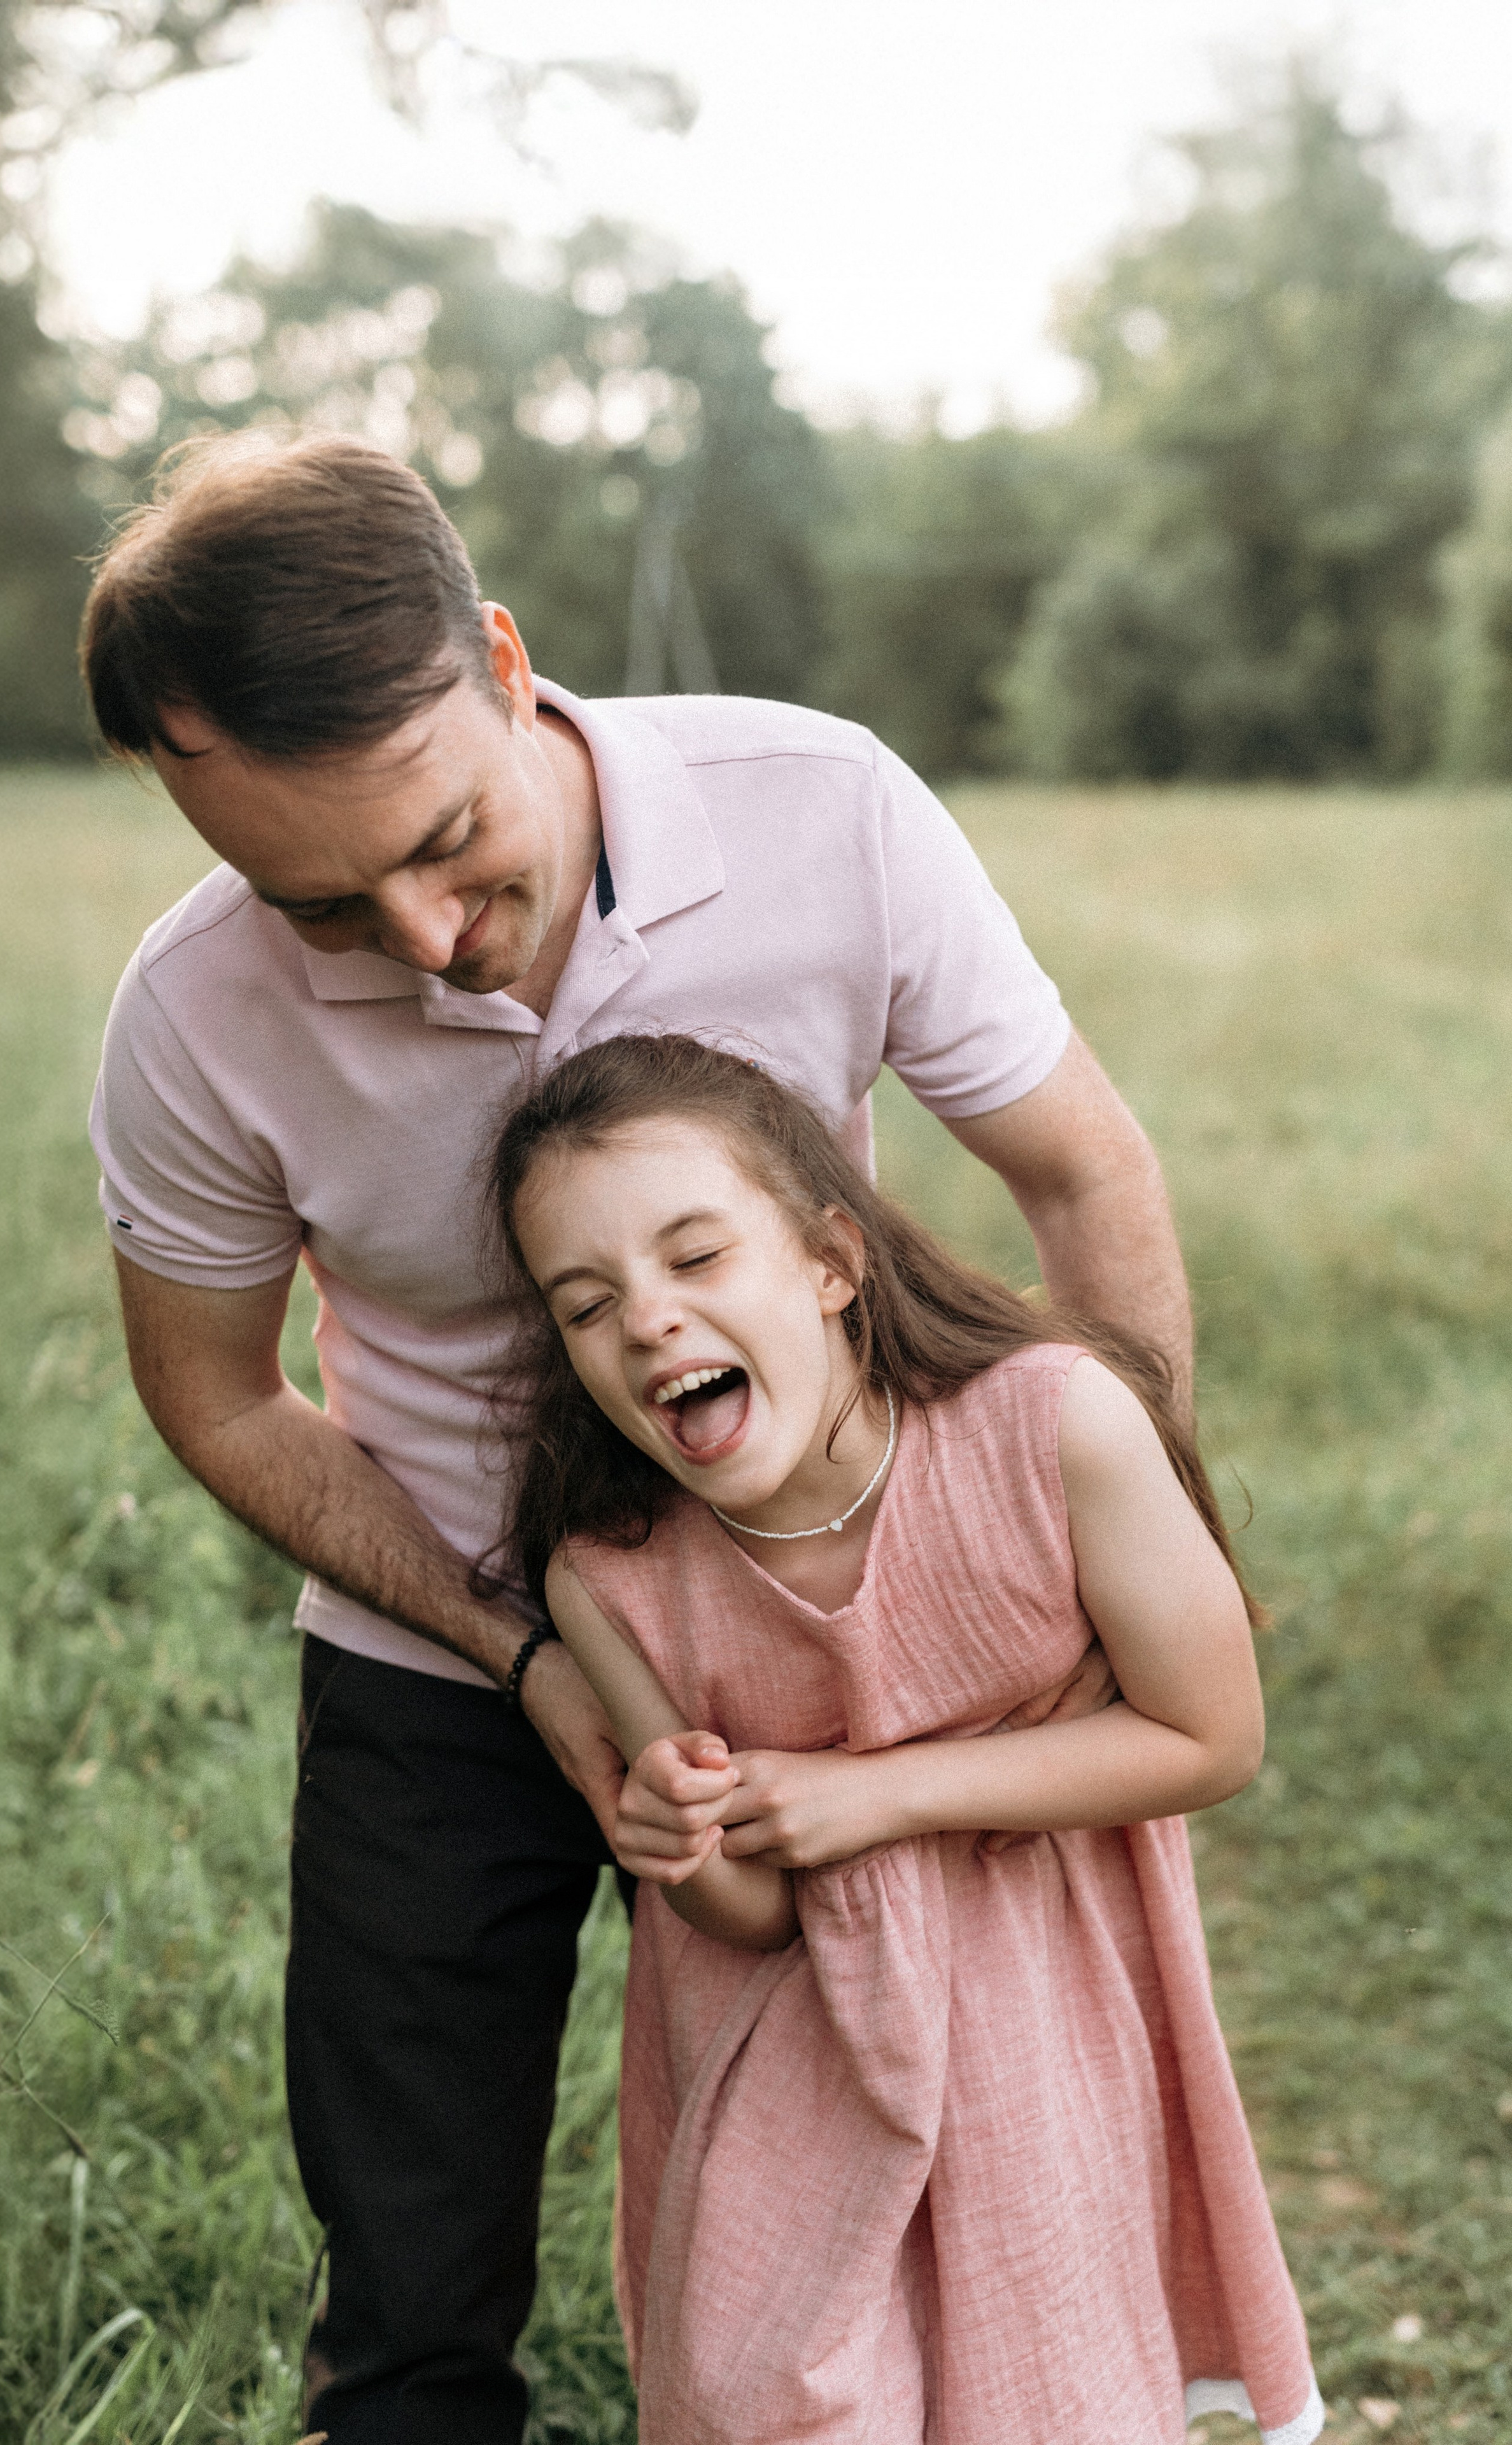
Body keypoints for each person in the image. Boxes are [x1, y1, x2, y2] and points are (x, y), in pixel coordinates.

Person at [81, 429, 1197, 2444]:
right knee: (411, 2292)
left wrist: (1123, 1576)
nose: (422, 937)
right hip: (443, 1656)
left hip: (843, 1643)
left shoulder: (826, 808)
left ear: (504, 662)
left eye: (445, 844)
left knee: (945, 2219)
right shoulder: (191, 1017)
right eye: (322, 903)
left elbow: (1083, 1177)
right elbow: (217, 1390)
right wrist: (522, 1651)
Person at [492, 1031, 1322, 2445]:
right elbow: (747, 1915)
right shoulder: (608, 1574)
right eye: (587, 1303)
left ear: (827, 1260)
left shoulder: (1051, 1426)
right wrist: (667, 1828)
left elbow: (1208, 1733)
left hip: (1035, 2042)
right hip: (787, 2076)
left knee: (1038, 2398)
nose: (646, 1320)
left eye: (695, 1259)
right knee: (774, 2399)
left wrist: (872, 1797)